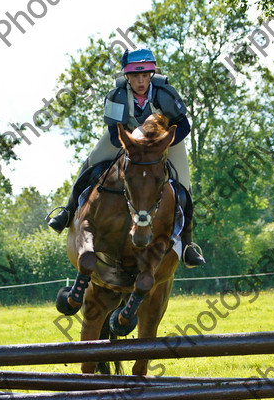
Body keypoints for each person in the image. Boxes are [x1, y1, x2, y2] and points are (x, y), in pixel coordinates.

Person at [46, 47, 205, 268]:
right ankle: (67, 211)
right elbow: (114, 134)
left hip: (166, 141)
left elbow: (184, 126)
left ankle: (187, 245)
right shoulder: (117, 96)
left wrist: (158, 146)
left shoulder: (165, 93)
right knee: (90, 164)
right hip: (127, 139)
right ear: (127, 76)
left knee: (184, 187)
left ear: (151, 74)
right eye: (135, 76)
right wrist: (135, 143)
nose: (141, 81)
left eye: (144, 75)